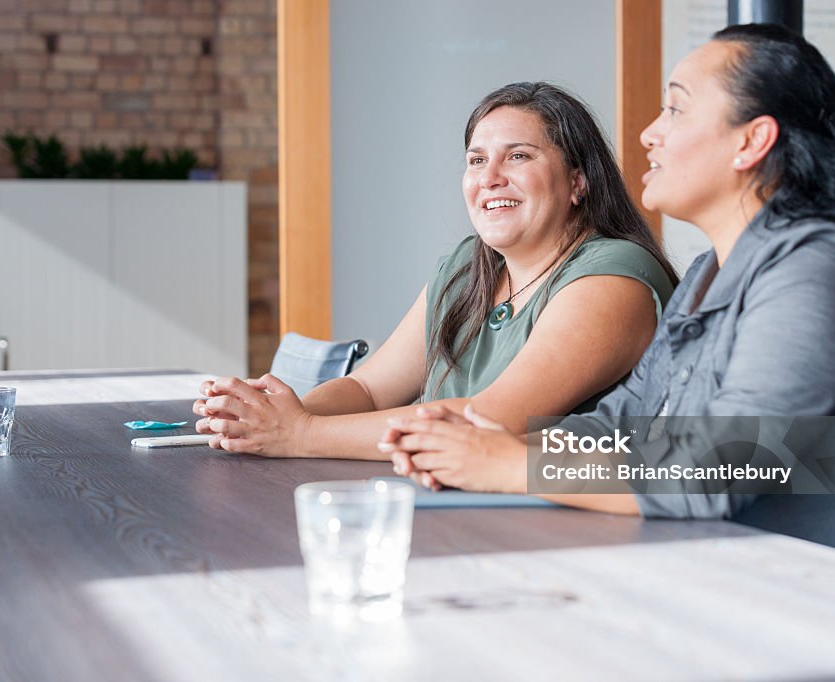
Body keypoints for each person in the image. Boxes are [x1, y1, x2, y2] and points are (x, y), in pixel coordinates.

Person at [384, 24, 835, 552]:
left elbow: (724, 466)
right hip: (752, 565)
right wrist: (470, 442)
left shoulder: (819, 267)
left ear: (751, 142)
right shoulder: (708, 273)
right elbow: (621, 426)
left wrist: (505, 465)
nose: (649, 134)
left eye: (675, 108)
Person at [196, 82, 676, 460]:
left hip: (567, 532)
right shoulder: (466, 268)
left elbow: (491, 420)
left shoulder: (614, 276)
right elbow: (368, 389)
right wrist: (267, 415)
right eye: (477, 160)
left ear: (578, 181)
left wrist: (299, 434)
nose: (490, 177)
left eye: (519, 156)